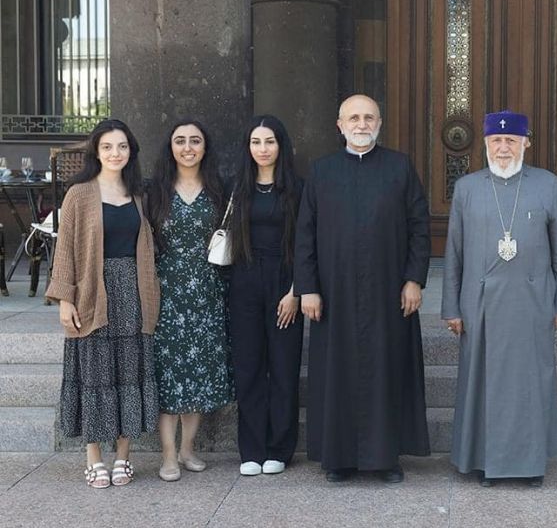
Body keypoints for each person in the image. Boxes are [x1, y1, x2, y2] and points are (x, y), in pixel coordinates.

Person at [295, 94, 431, 484]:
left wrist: (413, 279)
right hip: (333, 296)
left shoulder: (400, 167)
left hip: (390, 292)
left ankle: (385, 458)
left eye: (369, 117)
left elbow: (420, 228)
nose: (361, 124)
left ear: (379, 123)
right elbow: (305, 236)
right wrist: (308, 288)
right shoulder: (321, 172)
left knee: (387, 370)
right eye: (353, 118)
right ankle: (338, 458)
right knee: (337, 373)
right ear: (339, 125)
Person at [442, 111, 557, 487]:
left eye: (511, 141)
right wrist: (451, 306)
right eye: (496, 141)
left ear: (525, 143)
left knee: (529, 385)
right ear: (485, 144)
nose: (503, 148)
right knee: (483, 383)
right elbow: (454, 252)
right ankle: (484, 461)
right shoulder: (467, 188)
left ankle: (529, 465)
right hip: (480, 303)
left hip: (532, 302)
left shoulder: (547, 185)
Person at [47, 119, 160, 488]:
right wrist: (65, 299)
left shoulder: (140, 194)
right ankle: (94, 456)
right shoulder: (79, 193)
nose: (116, 153)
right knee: (95, 377)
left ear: (131, 152)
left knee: (129, 376)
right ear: (96, 151)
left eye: (123, 146)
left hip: (133, 292)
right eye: (108, 147)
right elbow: (65, 250)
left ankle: (123, 456)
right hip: (92, 292)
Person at [146, 120, 234, 482]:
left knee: (198, 374)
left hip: (208, 291)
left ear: (204, 147)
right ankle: (168, 455)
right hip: (166, 292)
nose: (187, 147)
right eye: (180, 141)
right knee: (168, 376)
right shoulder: (154, 192)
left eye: (194, 141)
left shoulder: (219, 191)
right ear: (170, 147)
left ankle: (187, 449)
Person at [227, 115, 304, 476]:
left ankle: (280, 447)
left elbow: (307, 244)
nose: (263, 149)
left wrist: (295, 292)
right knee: (249, 367)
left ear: (281, 145)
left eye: (269, 141)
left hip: (284, 283)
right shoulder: (236, 189)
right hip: (244, 282)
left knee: (284, 368)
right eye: (256, 142)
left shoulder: (297, 189)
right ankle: (252, 449)